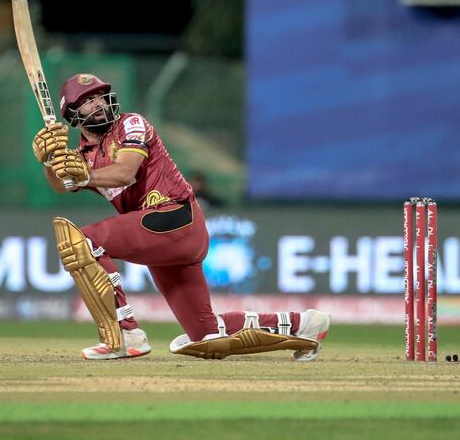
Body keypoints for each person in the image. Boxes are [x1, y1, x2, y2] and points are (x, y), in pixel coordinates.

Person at [32, 73, 330, 360]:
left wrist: (83, 176)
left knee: (82, 241)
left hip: (175, 218)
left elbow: (124, 171)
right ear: (73, 113)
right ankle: (304, 324)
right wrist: (49, 160)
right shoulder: (84, 156)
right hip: (160, 240)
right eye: (87, 100)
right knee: (204, 333)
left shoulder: (130, 124)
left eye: (99, 96)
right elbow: (63, 184)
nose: (97, 103)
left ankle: (125, 335)